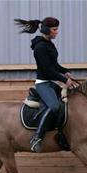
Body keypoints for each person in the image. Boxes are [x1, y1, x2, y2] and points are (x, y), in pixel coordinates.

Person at [14, 17, 78, 153]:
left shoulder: (49, 44)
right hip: (43, 84)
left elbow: (54, 65)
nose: (57, 32)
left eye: (57, 29)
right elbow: (46, 70)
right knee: (54, 107)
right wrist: (63, 79)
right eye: (55, 30)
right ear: (46, 30)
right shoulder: (40, 47)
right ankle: (37, 137)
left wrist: (65, 72)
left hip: (52, 82)